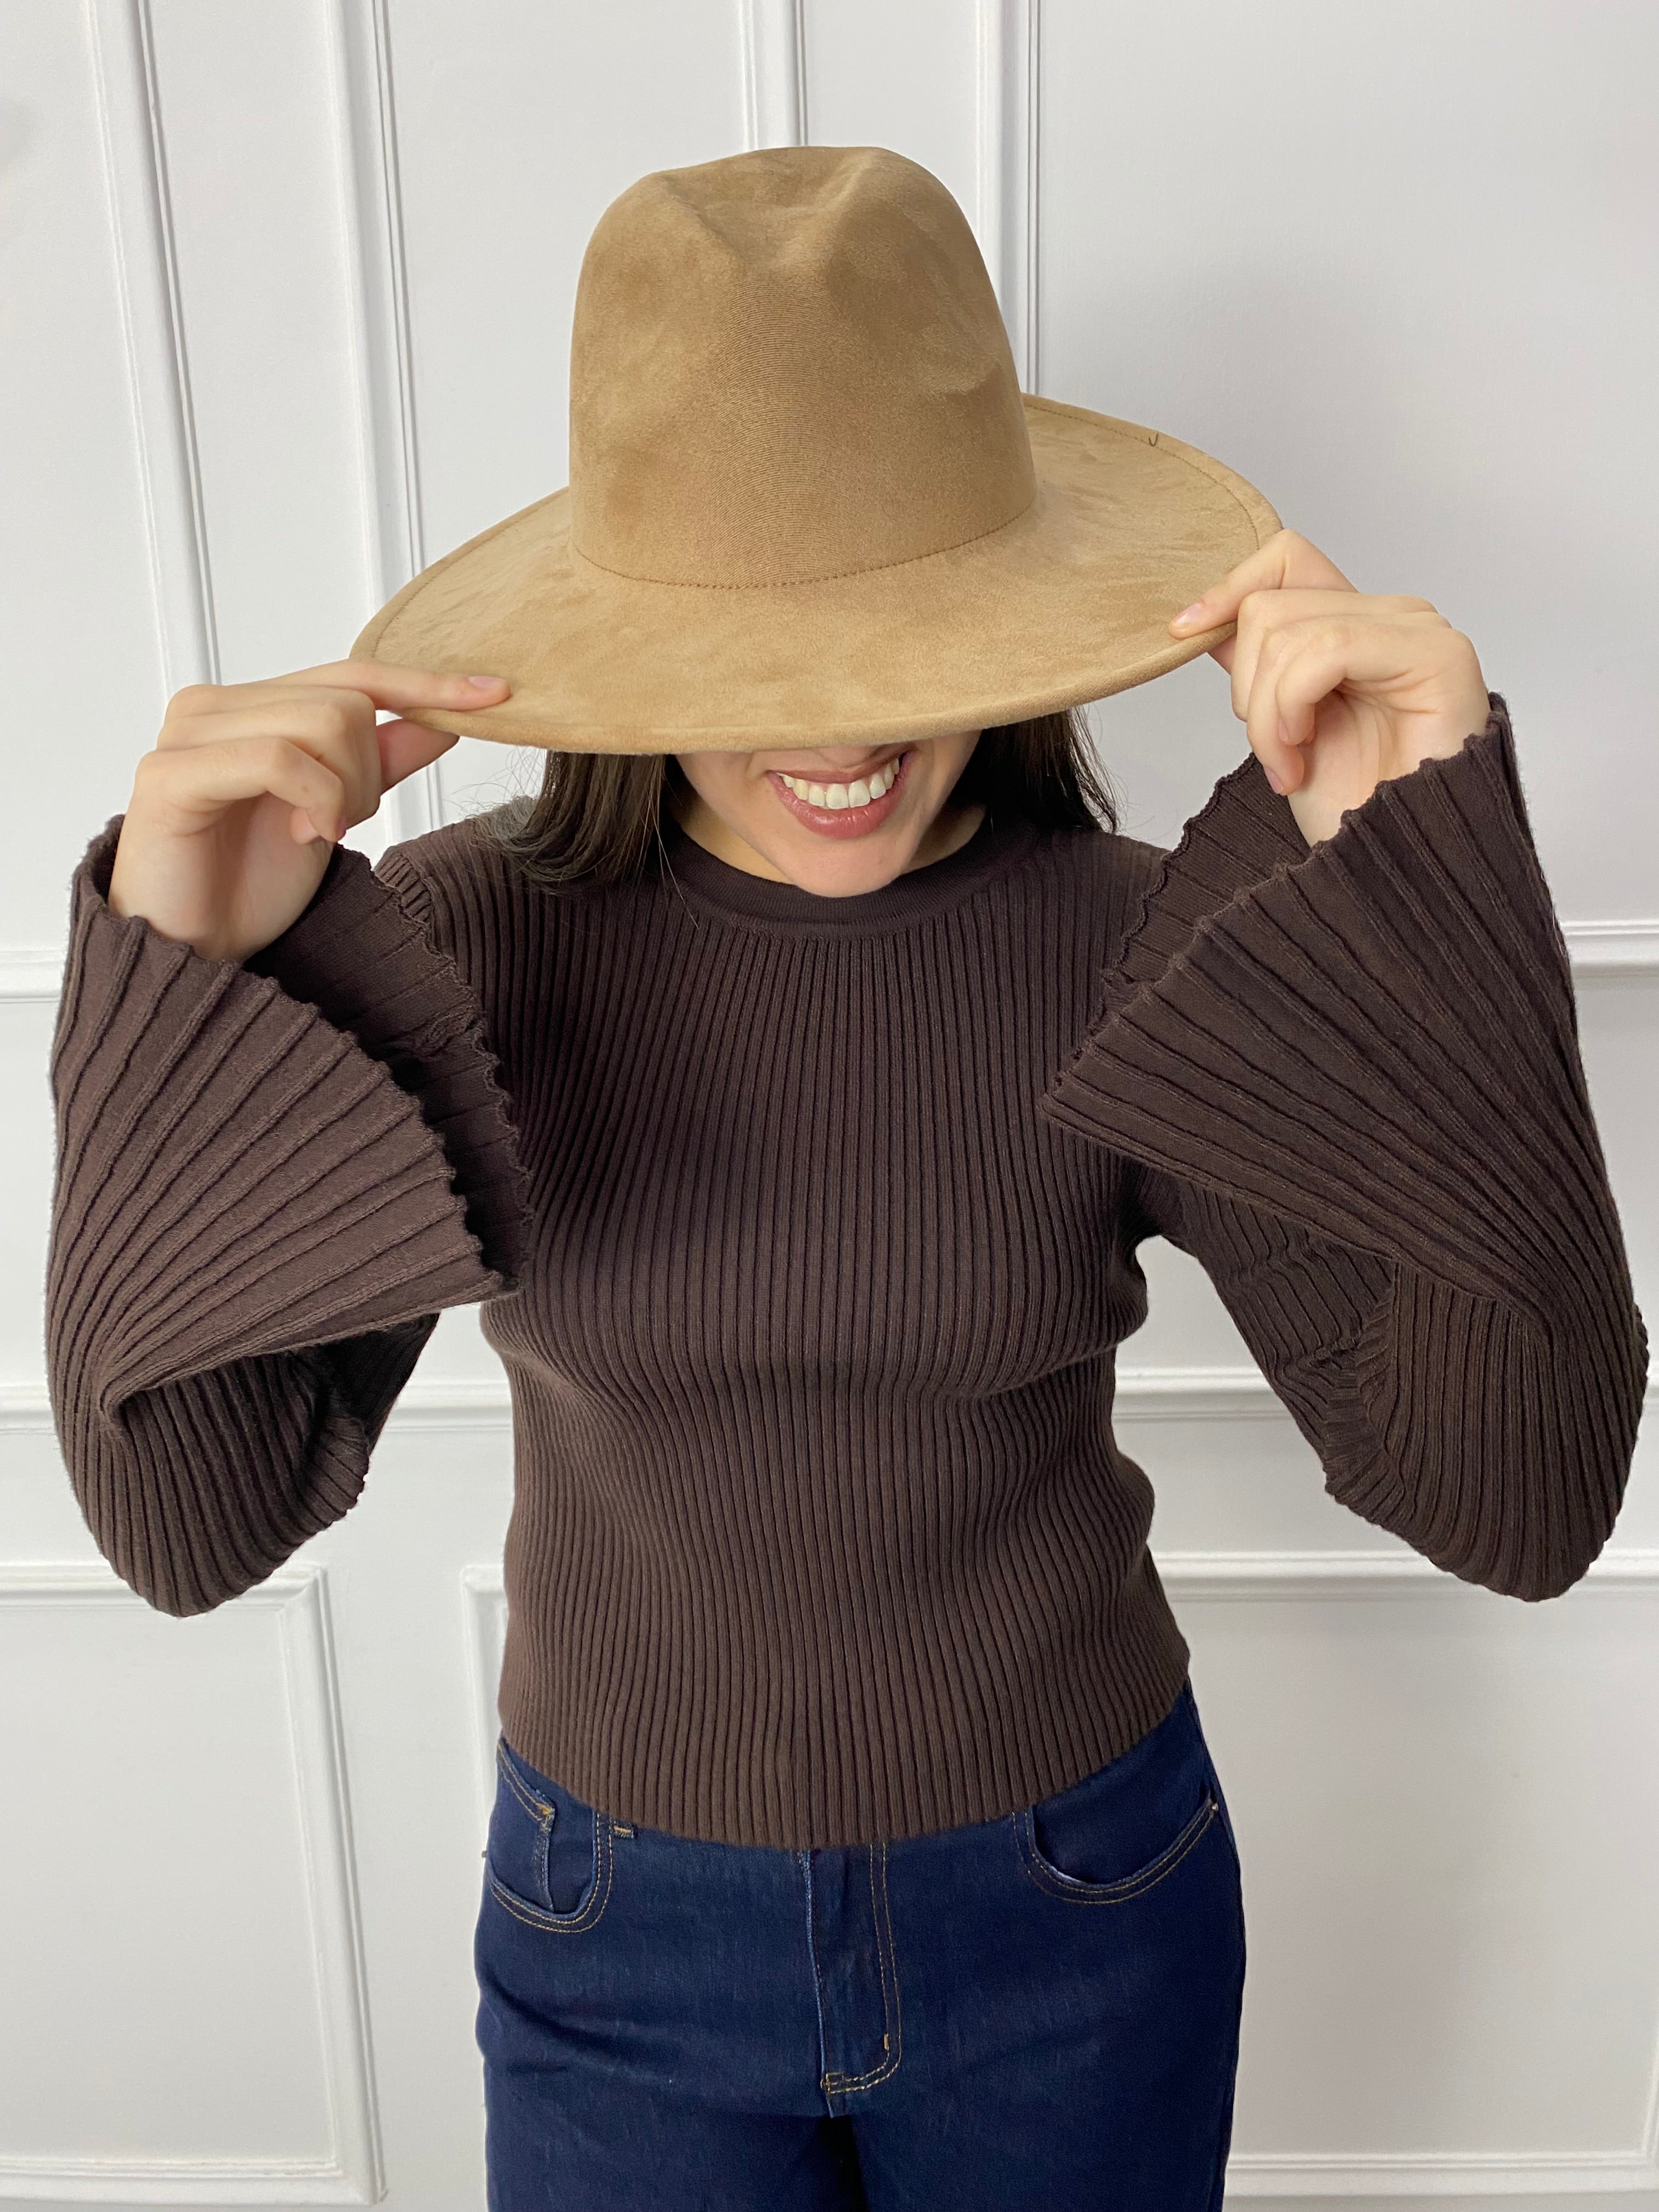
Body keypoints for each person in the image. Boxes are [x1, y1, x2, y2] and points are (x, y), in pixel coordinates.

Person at [46, 147, 1646, 2210]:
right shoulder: (462, 946)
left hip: (1073, 1905)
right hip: (615, 1929)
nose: (848, 731)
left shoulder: (1126, 939)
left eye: (906, 629)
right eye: (760, 650)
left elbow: (1518, 1499)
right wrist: (173, 974)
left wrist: (1433, 899)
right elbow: (189, 1527)